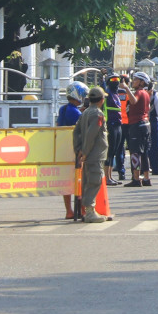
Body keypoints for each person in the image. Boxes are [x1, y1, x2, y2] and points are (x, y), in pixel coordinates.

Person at [73, 86, 111, 223]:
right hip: (94, 153)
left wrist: (78, 149)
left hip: (89, 153)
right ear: (101, 100)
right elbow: (91, 134)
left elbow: (76, 132)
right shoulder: (97, 114)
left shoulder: (85, 112)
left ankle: (88, 210)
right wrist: (84, 151)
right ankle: (89, 211)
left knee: (88, 181)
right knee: (94, 181)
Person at [58, 82, 86, 219]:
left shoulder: (63, 109)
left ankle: (69, 210)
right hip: (74, 148)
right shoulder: (75, 112)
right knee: (79, 180)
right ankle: (81, 209)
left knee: (66, 182)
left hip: (63, 148)